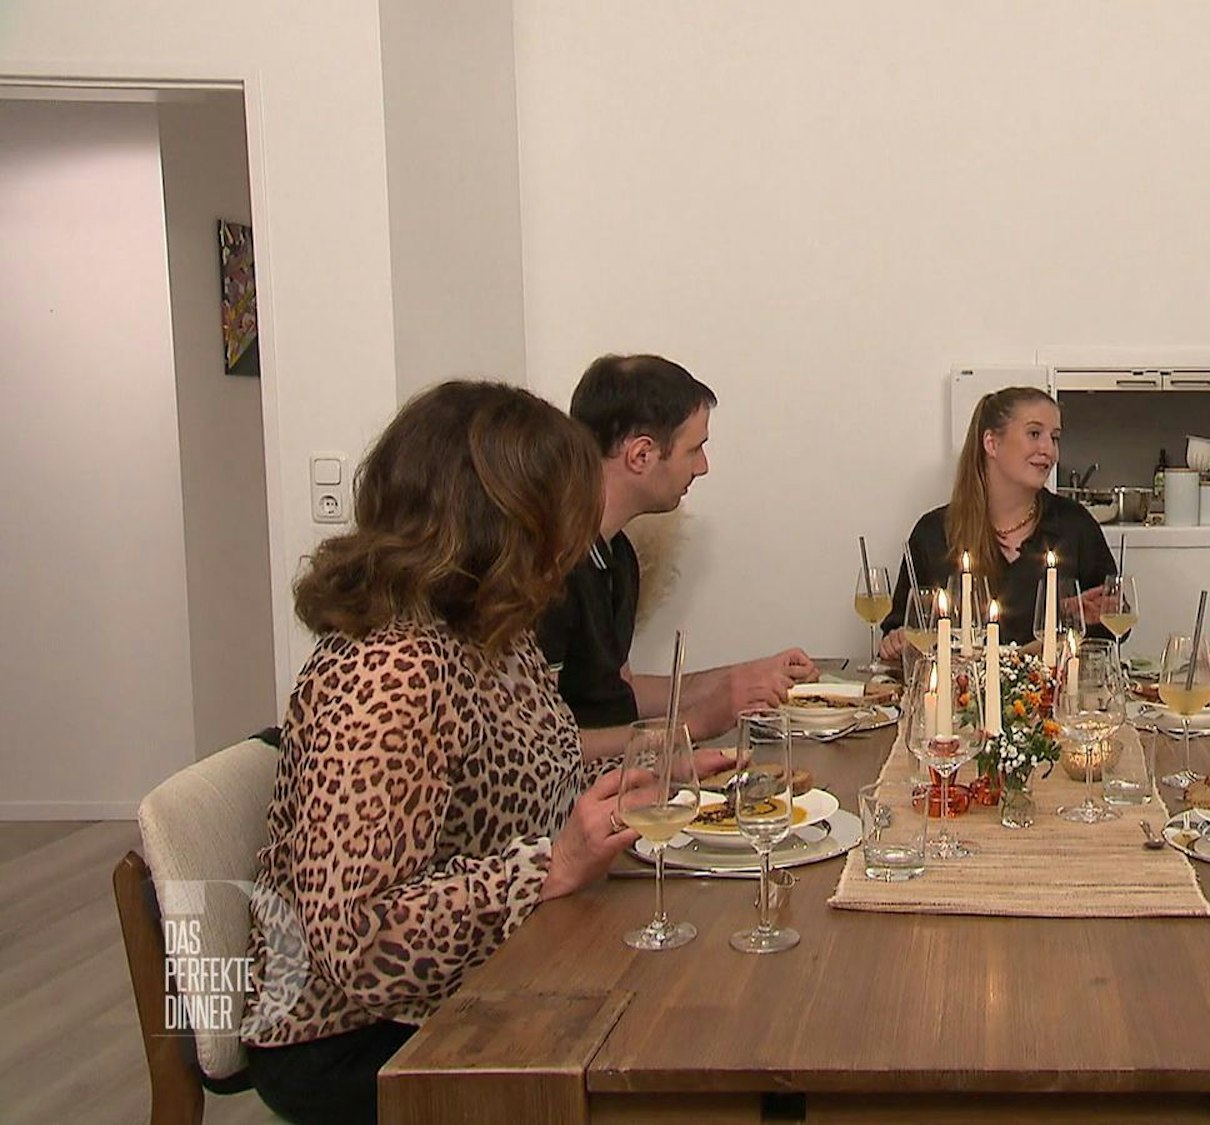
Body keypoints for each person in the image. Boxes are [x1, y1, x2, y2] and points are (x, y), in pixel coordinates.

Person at [240, 381, 646, 1123]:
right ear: (503, 522)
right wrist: (551, 867)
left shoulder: (494, 632)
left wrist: (636, 780)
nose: (576, 534)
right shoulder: (390, 672)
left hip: (482, 974)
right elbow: (359, 943)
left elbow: (532, 783)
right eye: (562, 510)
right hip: (355, 1036)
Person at [538, 353, 815, 759]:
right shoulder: (547, 569)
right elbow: (542, 750)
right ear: (641, 455)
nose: (703, 467)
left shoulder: (618, 556)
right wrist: (693, 726)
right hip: (586, 793)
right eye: (694, 449)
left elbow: (618, 691)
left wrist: (741, 681)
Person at [878, 386, 1117, 654]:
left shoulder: (1075, 525)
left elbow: (1115, 627)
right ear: (992, 443)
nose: (1049, 450)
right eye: (1034, 434)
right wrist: (897, 643)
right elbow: (900, 633)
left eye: (1054, 438)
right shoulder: (933, 533)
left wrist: (1087, 618)